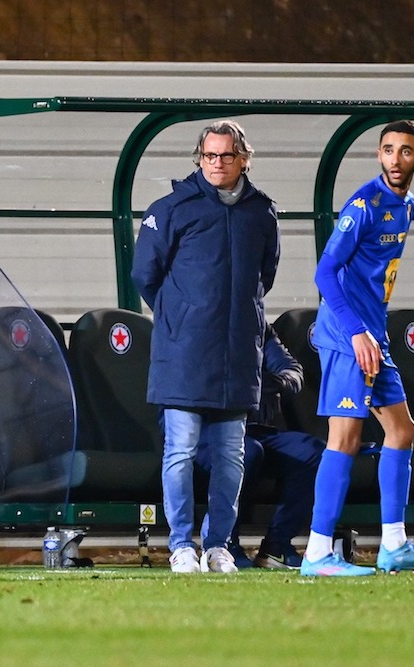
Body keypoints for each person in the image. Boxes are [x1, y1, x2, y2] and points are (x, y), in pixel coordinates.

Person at [301, 120, 414, 576]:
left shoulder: (407, 204)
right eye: (388, 150)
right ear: (378, 155)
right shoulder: (362, 205)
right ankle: (317, 554)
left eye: (406, 152)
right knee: (344, 438)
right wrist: (356, 333)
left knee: (402, 431)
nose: (395, 159)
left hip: (373, 333)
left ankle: (394, 545)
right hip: (349, 336)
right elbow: (325, 274)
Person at [132, 120, 280, 574]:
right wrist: (185, 316)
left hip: (237, 357)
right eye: (210, 155)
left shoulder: (262, 213)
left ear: (243, 159)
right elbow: (145, 276)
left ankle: (218, 546)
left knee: (231, 458)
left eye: (227, 156)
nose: (218, 163)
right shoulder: (172, 209)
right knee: (179, 452)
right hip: (184, 355)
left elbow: (265, 276)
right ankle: (180, 545)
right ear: (199, 158)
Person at [195, 324, 325, 569]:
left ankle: (277, 546)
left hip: (255, 431)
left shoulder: (258, 327)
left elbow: (292, 371)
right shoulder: (202, 321)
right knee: (247, 451)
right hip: (207, 434)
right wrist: (248, 386)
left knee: (312, 452)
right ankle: (224, 544)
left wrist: (276, 383)